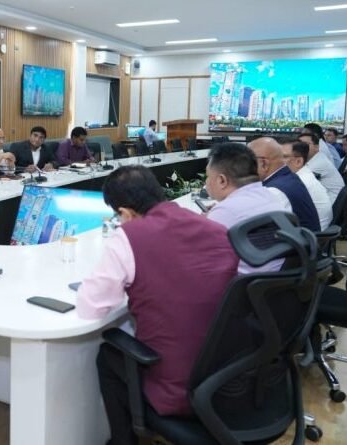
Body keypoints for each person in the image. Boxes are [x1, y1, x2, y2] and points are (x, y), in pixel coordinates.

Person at [76, 165, 238, 445]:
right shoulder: (215, 227)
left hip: (178, 389)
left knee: (108, 355)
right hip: (230, 378)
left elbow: (90, 307)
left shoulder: (129, 236)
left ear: (125, 213)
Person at [205, 143, 289, 273]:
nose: (206, 182)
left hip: (243, 283)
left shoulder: (225, 211)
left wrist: (204, 222)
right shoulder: (273, 196)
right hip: (276, 279)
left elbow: (202, 256)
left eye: (208, 177)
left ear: (222, 180)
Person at [248, 137, 320, 232]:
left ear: (264, 163)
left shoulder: (274, 192)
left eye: (248, 162)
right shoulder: (288, 178)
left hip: (297, 241)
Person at [280, 140, 333, 229]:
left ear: (298, 161)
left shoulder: (298, 182)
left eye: (284, 157)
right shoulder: (304, 174)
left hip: (310, 233)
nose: (277, 161)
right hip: (315, 229)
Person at [298, 132, 344, 204]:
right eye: (298, 144)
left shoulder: (319, 163)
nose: (301, 147)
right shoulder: (316, 158)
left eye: (305, 144)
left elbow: (296, 182)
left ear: (317, 147)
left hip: (330, 202)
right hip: (327, 199)